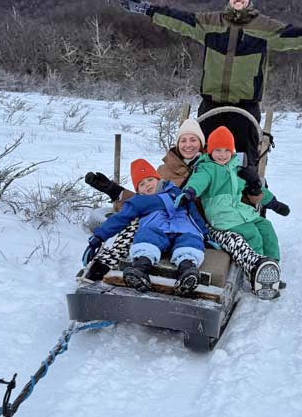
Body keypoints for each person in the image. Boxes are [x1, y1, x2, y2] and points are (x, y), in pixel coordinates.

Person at [118, 0, 302, 166]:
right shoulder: (209, 24)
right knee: (200, 157)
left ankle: (245, 206)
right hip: (211, 104)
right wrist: (141, 8)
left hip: (245, 107)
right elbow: (175, 18)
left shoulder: (265, 28)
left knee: (242, 161)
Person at [84, 118, 286, 297]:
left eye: (193, 140)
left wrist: (254, 186)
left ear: (202, 144)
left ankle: (258, 266)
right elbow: (147, 198)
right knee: (135, 224)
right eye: (183, 140)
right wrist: (117, 192)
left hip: (209, 225)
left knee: (237, 238)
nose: (188, 145)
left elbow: (247, 200)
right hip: (168, 224)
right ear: (177, 143)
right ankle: (102, 265)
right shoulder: (165, 171)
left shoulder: (221, 166)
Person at [83, 158, 207, 296]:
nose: (147, 185)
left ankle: (187, 271)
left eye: (149, 180)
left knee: (190, 242)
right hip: (155, 229)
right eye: (141, 184)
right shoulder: (138, 201)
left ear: (158, 179)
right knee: (145, 238)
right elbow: (120, 218)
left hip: (183, 227)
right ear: (138, 191)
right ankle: (140, 270)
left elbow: (193, 213)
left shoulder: (176, 192)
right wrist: (99, 236)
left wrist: (204, 233)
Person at [177, 127, 280, 261]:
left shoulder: (236, 169)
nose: (222, 154)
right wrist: (190, 191)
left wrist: (273, 202)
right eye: (218, 150)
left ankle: (273, 263)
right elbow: (198, 181)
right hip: (220, 215)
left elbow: (253, 187)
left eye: (227, 150)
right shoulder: (207, 168)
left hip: (239, 210)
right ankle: (258, 268)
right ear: (210, 151)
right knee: (252, 234)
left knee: (266, 227)